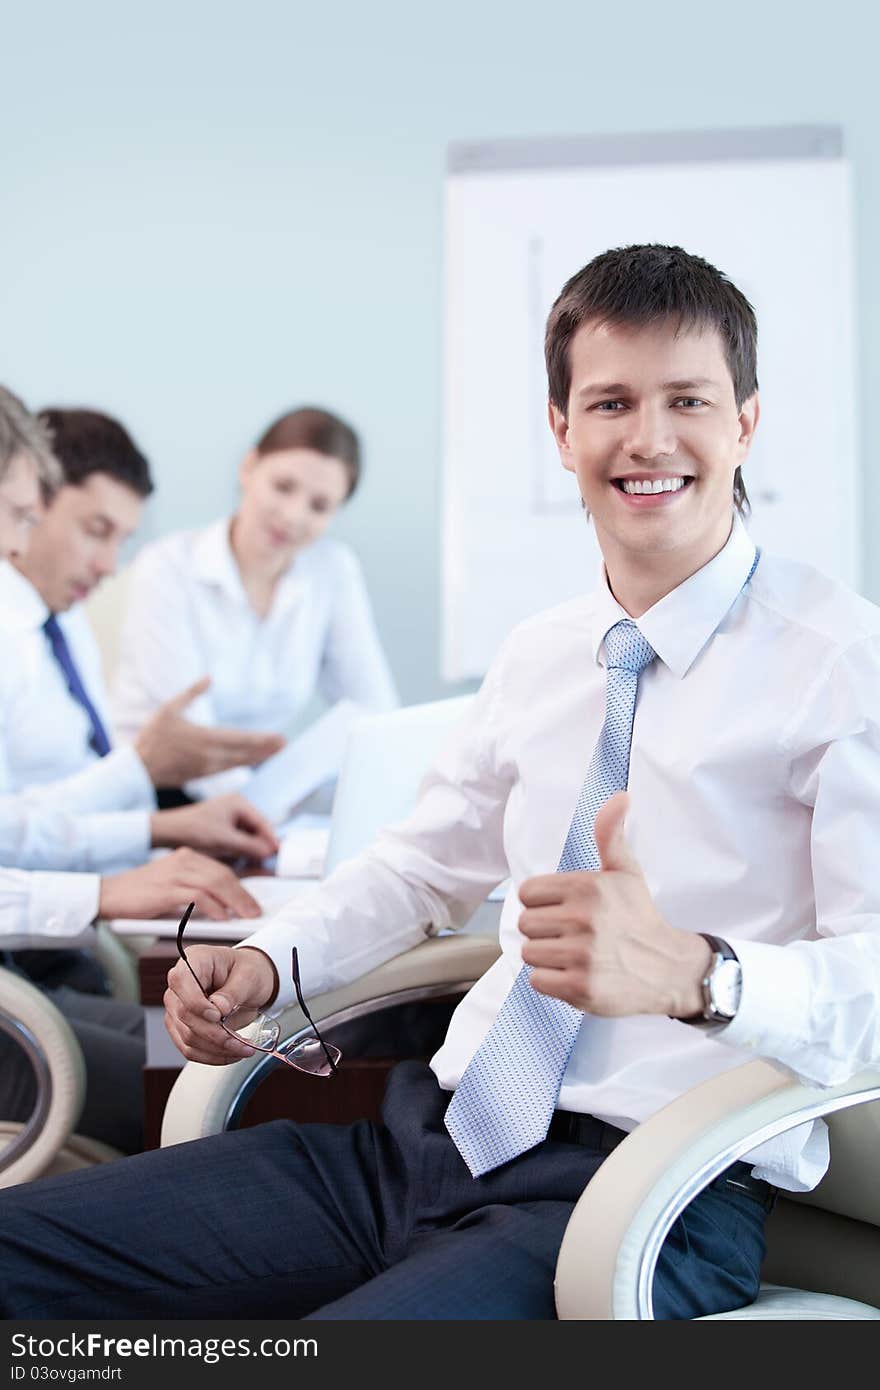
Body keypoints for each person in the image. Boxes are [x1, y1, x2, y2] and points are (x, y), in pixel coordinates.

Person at [2, 244, 878, 1320]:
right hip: (425, 1143)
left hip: (648, 1194)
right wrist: (264, 967)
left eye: (686, 399)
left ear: (745, 421)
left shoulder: (839, 661)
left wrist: (699, 974)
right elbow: (418, 867)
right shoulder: (541, 653)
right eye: (609, 401)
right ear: (562, 431)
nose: (647, 438)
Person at [0, 388, 271, 1153]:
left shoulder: (55, 623)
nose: (14, 550)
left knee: (234, 1057)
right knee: (216, 1091)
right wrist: (110, 879)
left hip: (35, 956)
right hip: (27, 963)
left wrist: (156, 824)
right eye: (18, 515)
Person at [111, 405, 398, 802]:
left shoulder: (332, 570)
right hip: (155, 794)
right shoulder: (167, 566)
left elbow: (373, 711)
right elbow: (193, 737)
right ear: (249, 468)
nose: (294, 516)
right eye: (283, 487)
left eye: (319, 506)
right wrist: (260, 809)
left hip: (258, 793)